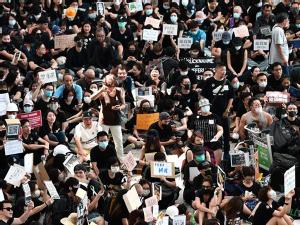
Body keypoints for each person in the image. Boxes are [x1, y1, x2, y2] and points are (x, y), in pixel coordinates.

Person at [202, 63, 234, 156]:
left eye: (225, 70)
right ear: (216, 70)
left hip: (224, 113)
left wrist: (227, 109)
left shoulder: (227, 82)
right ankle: (211, 152)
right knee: (212, 132)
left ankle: (227, 153)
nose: (224, 72)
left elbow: (231, 97)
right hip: (212, 112)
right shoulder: (209, 81)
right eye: (222, 70)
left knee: (226, 133)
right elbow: (204, 96)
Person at [91, 74, 125, 158]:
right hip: (104, 120)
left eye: (111, 79)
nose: (109, 81)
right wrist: (101, 90)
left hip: (115, 119)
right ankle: (101, 159)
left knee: (119, 141)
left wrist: (119, 107)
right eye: (108, 79)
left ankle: (121, 160)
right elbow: (92, 98)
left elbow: (124, 104)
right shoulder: (103, 91)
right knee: (102, 141)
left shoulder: (119, 90)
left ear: (114, 81)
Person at [188, 98, 223, 165]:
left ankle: (216, 167)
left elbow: (220, 130)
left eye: (207, 105)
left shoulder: (215, 116)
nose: (206, 107)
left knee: (217, 145)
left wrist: (216, 137)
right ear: (200, 108)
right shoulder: (195, 117)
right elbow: (190, 130)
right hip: (199, 142)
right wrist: (191, 137)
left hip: (212, 141)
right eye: (203, 106)